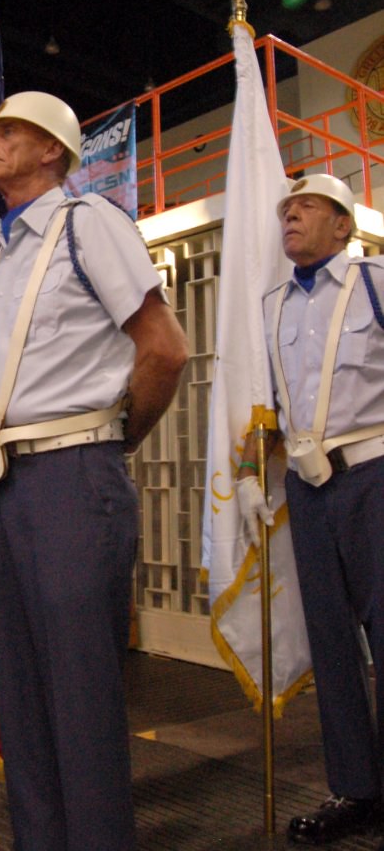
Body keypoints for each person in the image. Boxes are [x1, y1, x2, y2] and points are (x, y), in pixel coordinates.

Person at [0, 92, 189, 851]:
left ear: (51, 150)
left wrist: (113, 441)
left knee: (80, 695)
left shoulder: (88, 223)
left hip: (71, 474)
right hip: (5, 480)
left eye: (9, 132)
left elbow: (164, 348)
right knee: (21, 691)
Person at [236, 174, 384, 848]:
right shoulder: (271, 306)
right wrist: (247, 476)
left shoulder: (375, 281)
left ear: (342, 226)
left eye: (306, 207)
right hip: (305, 484)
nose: (289, 215)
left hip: (373, 475)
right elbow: (266, 409)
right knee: (329, 642)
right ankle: (355, 787)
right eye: (285, 210)